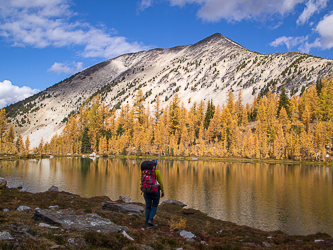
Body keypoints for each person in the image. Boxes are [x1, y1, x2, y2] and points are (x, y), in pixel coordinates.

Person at [143, 159, 164, 227]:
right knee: (154, 206)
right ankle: (150, 220)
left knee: (148, 206)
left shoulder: (145, 172)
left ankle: (146, 222)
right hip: (155, 191)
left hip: (146, 190)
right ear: (156, 165)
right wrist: (162, 191)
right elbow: (160, 182)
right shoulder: (157, 172)